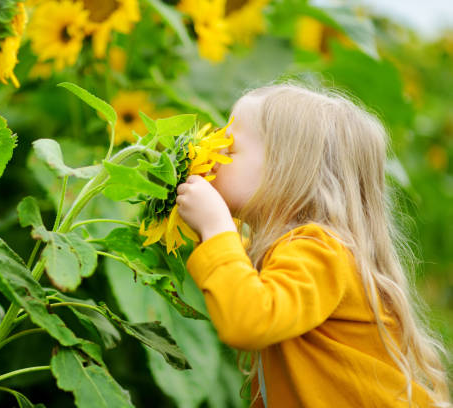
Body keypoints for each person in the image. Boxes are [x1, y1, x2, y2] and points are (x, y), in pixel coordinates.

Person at [175, 83, 451, 408]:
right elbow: (231, 274)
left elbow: (248, 319)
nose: (214, 156)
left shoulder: (319, 251)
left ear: (285, 172)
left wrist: (215, 226)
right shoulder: (286, 252)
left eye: (230, 150)